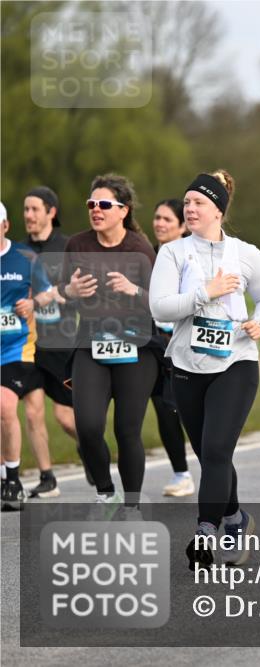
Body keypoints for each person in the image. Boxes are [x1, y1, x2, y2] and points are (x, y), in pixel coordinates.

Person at [150, 170, 260, 570]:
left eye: (198, 203)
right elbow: (160, 308)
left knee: (217, 448)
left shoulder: (245, 253)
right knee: (209, 455)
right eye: (186, 202)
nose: (189, 209)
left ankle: (206, 531)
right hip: (188, 365)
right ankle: (235, 519)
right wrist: (204, 293)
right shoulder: (172, 253)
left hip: (236, 362)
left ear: (218, 211)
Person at [57, 174, 160, 509]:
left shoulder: (140, 249)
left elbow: (162, 303)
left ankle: (131, 507)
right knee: (86, 426)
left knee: (127, 431)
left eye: (104, 205)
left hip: (136, 347)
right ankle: (105, 492)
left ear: (123, 210)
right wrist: (70, 292)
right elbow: (64, 295)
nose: (96, 210)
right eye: (91, 204)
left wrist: (135, 291)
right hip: (90, 345)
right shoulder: (77, 245)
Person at [21, 186, 94, 495]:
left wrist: (54, 296)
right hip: (25, 346)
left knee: (66, 418)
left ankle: (92, 450)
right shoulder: (16, 252)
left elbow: (82, 294)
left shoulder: (67, 248)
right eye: (25, 210)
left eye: (34, 209)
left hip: (60, 343)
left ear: (51, 212)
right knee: (33, 411)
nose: (28, 215)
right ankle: (47, 477)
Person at [1, 201, 56, 510]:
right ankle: (4, 476)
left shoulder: (25, 257)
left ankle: (13, 479)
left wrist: (33, 304)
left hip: (17, 347)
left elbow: (49, 293)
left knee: (7, 405)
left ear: (6, 226)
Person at [149, 199, 194, 496]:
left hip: (180, 343)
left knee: (177, 410)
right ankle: (181, 474)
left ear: (182, 226)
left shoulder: (190, 258)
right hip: (150, 343)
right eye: (157, 218)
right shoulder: (148, 256)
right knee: (158, 408)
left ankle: (193, 471)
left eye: (167, 219)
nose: (160, 224)